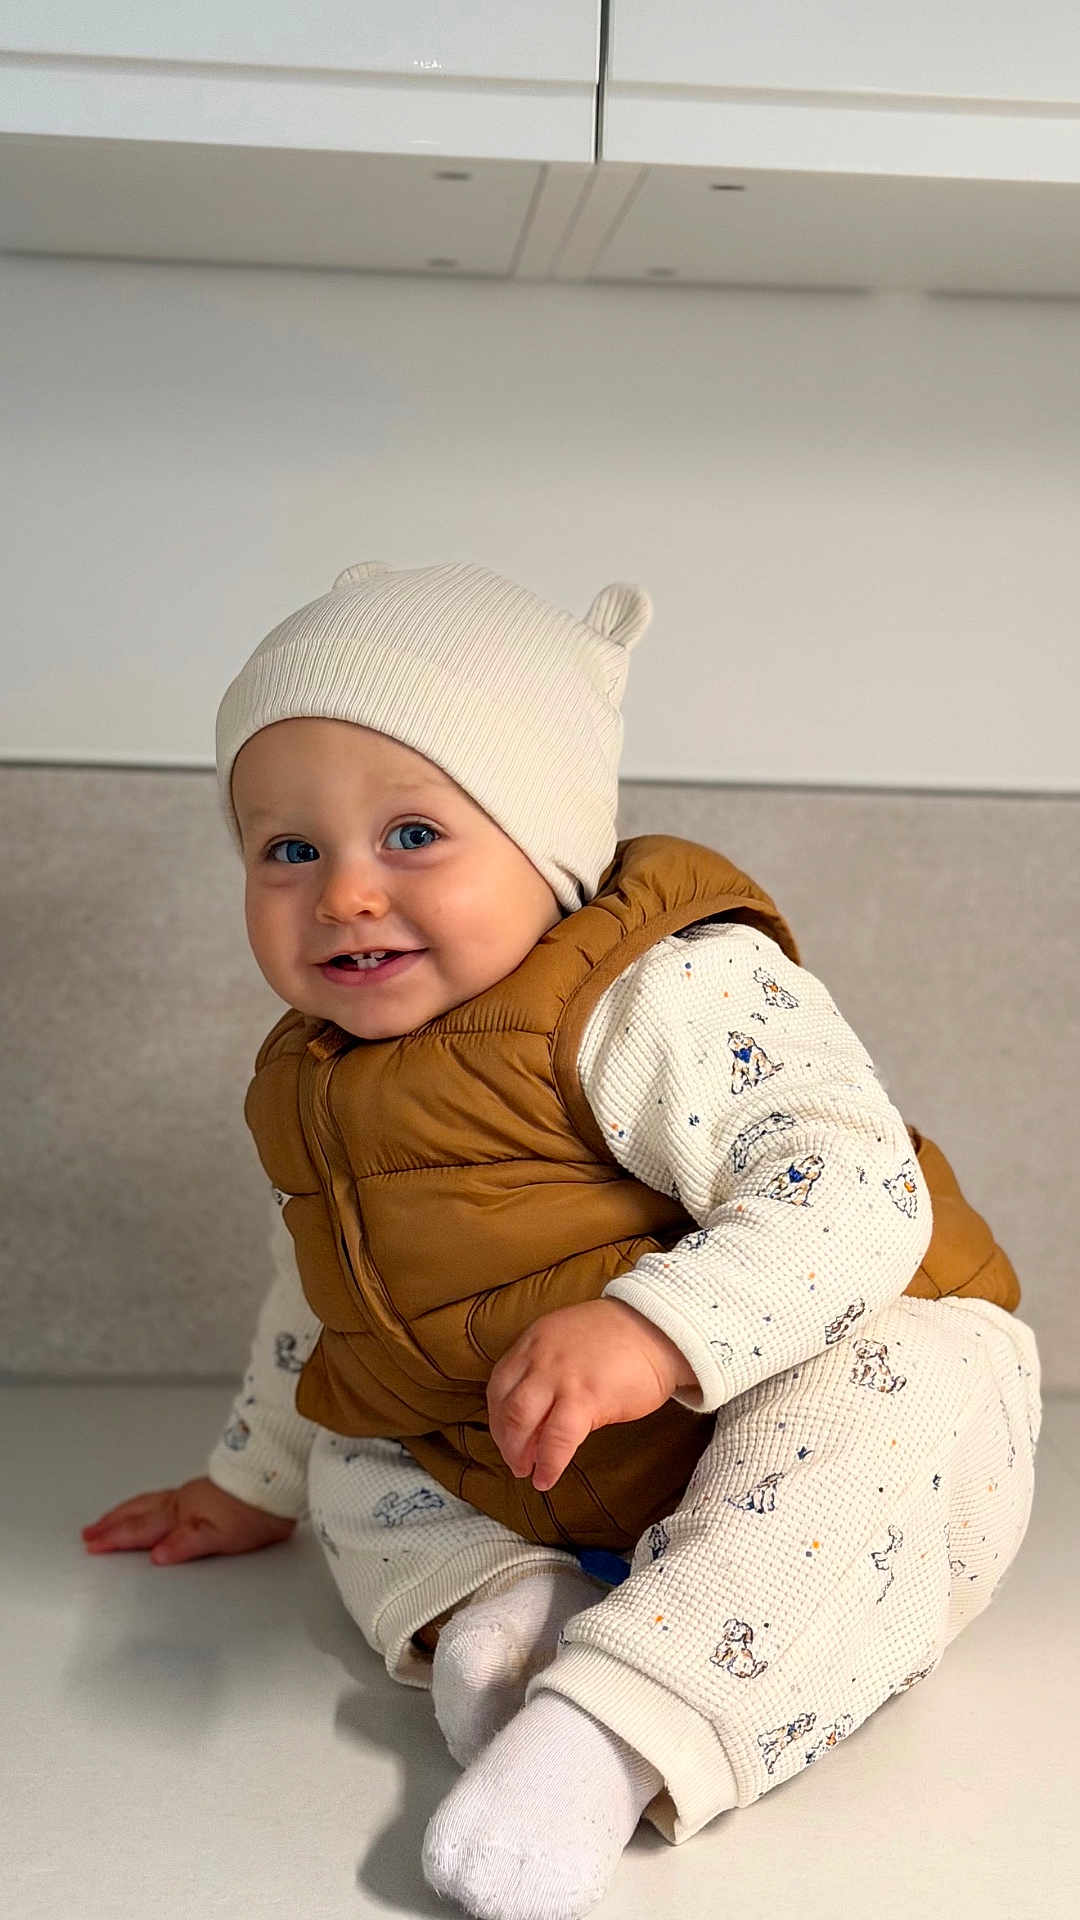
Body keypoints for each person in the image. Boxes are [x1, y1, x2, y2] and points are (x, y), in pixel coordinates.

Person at [81, 560, 1041, 1920]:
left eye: (411, 836)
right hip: (547, 1472)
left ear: (545, 845)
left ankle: (617, 1723)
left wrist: (657, 1328)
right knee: (365, 1429)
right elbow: (326, 1298)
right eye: (289, 851)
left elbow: (856, 1191)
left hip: (813, 1440)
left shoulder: (662, 987)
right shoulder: (309, 1077)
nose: (345, 892)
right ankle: (499, 1610)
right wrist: (253, 1480)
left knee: (902, 1381)